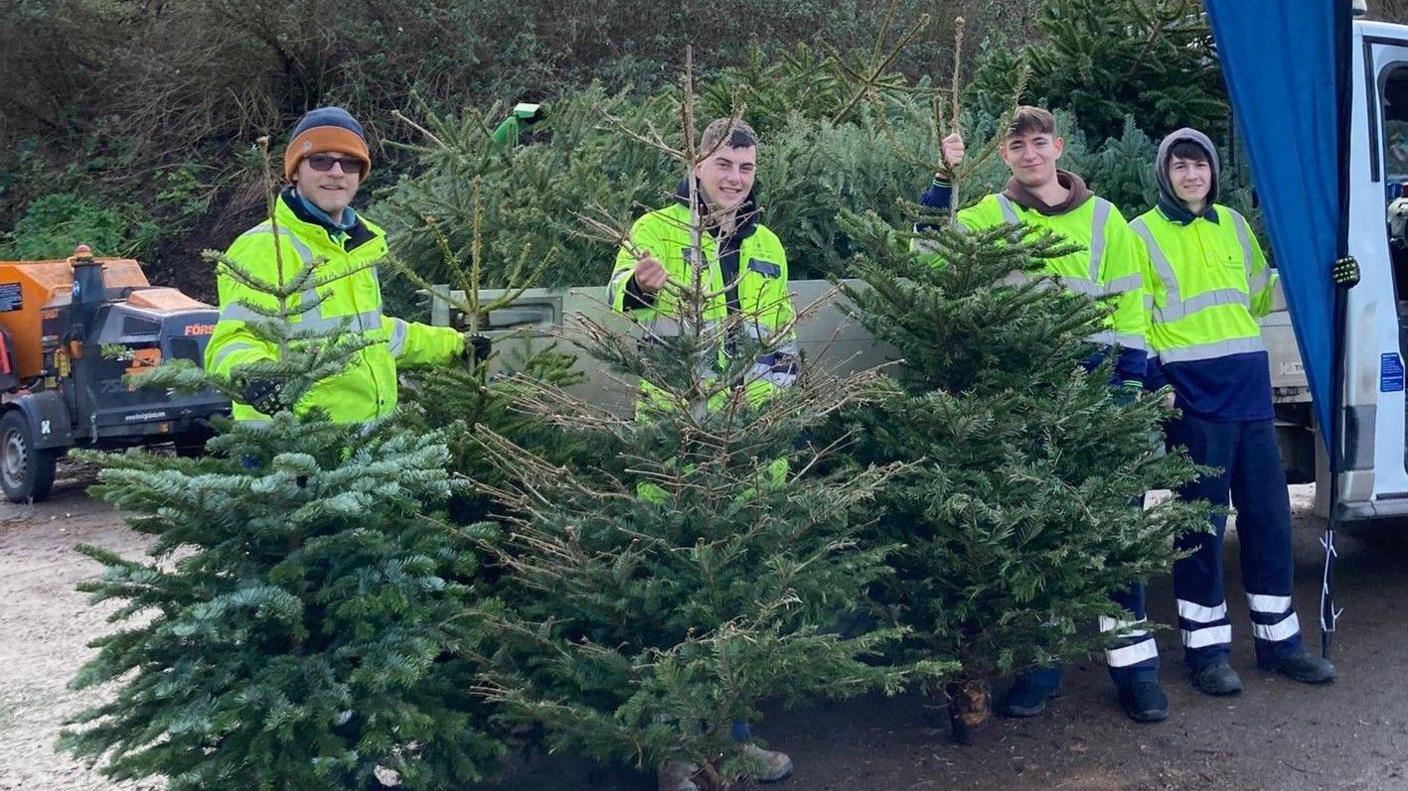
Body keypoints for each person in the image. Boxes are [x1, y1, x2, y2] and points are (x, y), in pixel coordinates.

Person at [918, 106, 1167, 723]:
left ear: (1057, 147)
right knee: (1038, 539)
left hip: (1101, 400)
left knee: (1115, 542)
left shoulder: (1108, 220)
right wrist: (943, 178)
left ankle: (1135, 672)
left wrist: (1126, 392)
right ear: (1004, 155)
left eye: (1039, 143)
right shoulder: (986, 217)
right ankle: (1040, 670)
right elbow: (925, 252)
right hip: (1024, 402)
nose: (1030, 155)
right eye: (1016, 146)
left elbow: (1132, 310)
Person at [607, 117, 797, 791]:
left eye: (745, 168)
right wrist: (642, 286)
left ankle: (736, 741)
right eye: (723, 165)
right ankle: (680, 754)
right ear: (695, 163)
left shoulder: (768, 242)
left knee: (741, 605)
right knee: (683, 605)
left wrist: (768, 422)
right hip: (678, 446)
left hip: (747, 450)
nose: (735, 178)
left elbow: (783, 348)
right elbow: (619, 298)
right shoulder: (655, 228)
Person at [1131, 128, 1336, 694]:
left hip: (1248, 390)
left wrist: (1320, 279)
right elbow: (1130, 314)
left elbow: (1257, 293)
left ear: (1213, 172)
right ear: (1164, 174)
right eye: (1181, 167)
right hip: (1192, 396)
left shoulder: (1235, 226)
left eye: (1200, 166)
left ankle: (1279, 643)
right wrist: (1155, 380)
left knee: (1268, 519)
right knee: (1200, 526)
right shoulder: (1140, 234)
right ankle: (1206, 653)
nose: (1192, 175)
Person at [206, 106, 485, 422]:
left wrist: (455, 345)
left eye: (349, 163)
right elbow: (233, 339)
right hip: (293, 450)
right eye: (321, 160)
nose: (336, 172)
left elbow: (375, 333)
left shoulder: (356, 247)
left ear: (360, 175)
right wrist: (254, 372)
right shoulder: (264, 246)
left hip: (364, 447)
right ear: (295, 170)